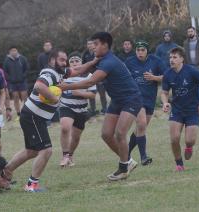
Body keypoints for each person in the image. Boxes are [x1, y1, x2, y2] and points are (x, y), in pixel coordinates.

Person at [59, 32, 142, 181]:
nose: (93, 48)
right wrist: (60, 74)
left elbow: (90, 82)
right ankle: (128, 161)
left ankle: (123, 169)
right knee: (106, 134)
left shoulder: (109, 62)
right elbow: (79, 70)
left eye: (96, 44)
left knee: (120, 133)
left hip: (131, 99)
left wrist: (65, 87)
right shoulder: (100, 59)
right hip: (117, 101)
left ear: (105, 45)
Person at [4, 49, 70, 192]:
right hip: (33, 117)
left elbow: (76, 70)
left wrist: (94, 62)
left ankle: (6, 172)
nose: (65, 63)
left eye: (66, 60)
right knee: (46, 150)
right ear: (52, 60)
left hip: (32, 116)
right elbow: (39, 86)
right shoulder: (50, 73)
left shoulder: (60, 72)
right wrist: (53, 98)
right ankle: (31, 185)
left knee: (32, 151)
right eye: (62, 60)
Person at [161, 47, 199, 171]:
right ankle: (179, 164)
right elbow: (164, 92)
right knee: (174, 138)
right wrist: (165, 103)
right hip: (177, 110)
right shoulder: (167, 74)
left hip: (193, 111)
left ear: (182, 59)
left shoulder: (192, 71)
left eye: (175, 57)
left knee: (190, 140)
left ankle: (189, 147)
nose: (171, 60)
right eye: (170, 57)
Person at [125, 40, 166, 166]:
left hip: (150, 99)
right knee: (141, 124)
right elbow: (122, 77)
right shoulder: (129, 62)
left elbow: (167, 76)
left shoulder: (156, 61)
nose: (140, 52)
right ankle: (143, 157)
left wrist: (154, 78)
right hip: (135, 98)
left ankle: (125, 154)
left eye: (143, 50)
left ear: (147, 51)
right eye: (138, 50)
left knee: (140, 128)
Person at [59, 51, 96, 167]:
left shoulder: (89, 76)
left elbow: (92, 95)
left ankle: (70, 155)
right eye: (72, 61)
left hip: (81, 110)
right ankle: (65, 155)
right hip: (66, 106)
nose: (75, 63)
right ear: (68, 64)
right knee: (65, 128)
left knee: (75, 137)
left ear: (82, 62)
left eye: (77, 61)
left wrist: (79, 93)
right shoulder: (62, 75)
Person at [82, 39, 107, 116]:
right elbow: (83, 65)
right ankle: (93, 109)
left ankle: (104, 109)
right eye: (88, 44)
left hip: (99, 76)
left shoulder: (98, 53)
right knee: (91, 93)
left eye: (91, 44)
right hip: (90, 77)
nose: (89, 45)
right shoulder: (85, 54)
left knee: (102, 94)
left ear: (94, 44)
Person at [3, 46, 29, 119]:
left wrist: (23, 76)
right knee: (15, 97)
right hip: (12, 83)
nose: (14, 52)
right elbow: (5, 72)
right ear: (9, 52)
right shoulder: (7, 61)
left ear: (17, 51)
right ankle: (18, 113)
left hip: (22, 82)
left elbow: (27, 68)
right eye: (12, 51)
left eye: (15, 50)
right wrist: (9, 79)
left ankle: (26, 111)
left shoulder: (22, 59)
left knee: (25, 96)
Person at [183, 26, 199, 100]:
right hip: (189, 66)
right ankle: (193, 99)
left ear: (195, 32)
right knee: (191, 83)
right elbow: (184, 54)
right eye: (188, 32)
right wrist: (186, 65)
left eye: (191, 31)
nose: (190, 33)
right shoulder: (185, 43)